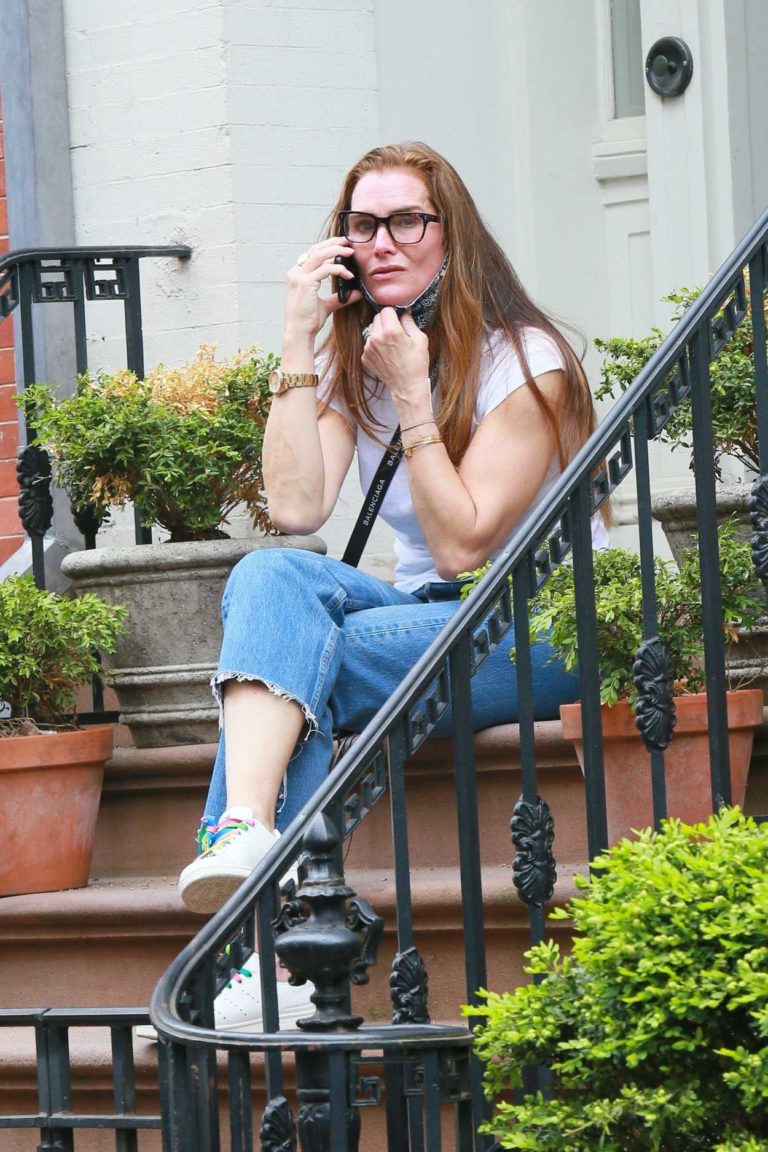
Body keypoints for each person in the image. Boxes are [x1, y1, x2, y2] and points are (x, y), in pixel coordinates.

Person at [176, 141, 608, 1030]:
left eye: (406, 219)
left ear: (451, 235)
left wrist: (413, 397)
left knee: (297, 671)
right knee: (270, 577)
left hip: (544, 621)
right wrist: (299, 338)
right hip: (424, 620)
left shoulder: (526, 361)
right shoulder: (354, 357)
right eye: (361, 224)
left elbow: (463, 547)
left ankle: (257, 953)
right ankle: (248, 834)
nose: (383, 241)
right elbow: (295, 508)